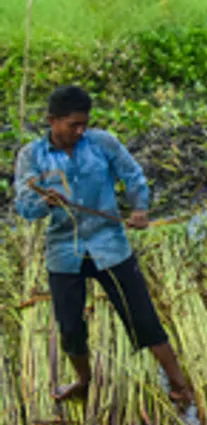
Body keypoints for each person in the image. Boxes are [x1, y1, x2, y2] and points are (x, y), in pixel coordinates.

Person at [13, 86, 193, 406]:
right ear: (52, 121)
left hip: (110, 245)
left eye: (84, 124)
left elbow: (133, 175)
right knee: (70, 326)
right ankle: (84, 380)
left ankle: (179, 382)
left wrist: (139, 209)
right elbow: (25, 207)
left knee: (143, 316)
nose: (80, 131)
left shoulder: (102, 143)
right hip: (64, 252)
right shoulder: (32, 157)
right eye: (73, 125)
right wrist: (45, 203)